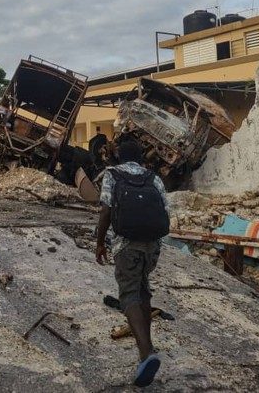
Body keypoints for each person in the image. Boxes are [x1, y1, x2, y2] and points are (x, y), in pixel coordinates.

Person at [94, 137, 170, 388]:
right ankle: (144, 352)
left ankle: (147, 353)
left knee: (128, 295)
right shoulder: (153, 177)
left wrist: (100, 242)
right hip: (152, 245)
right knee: (142, 289)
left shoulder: (112, 175)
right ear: (140, 157)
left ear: (119, 156)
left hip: (126, 244)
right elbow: (166, 211)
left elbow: (105, 210)